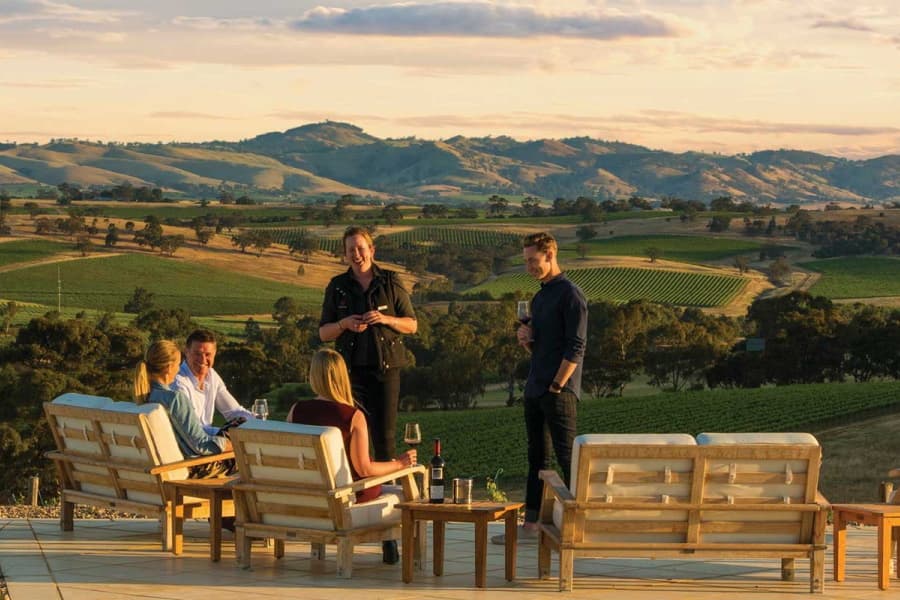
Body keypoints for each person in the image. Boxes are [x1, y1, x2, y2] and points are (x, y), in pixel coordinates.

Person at [493, 232, 587, 545]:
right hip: (535, 388)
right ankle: (531, 526)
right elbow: (542, 348)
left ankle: (578, 527)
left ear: (550, 255)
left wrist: (558, 385)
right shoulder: (540, 295)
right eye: (526, 261)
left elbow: (576, 346)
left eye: (534, 260)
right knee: (537, 458)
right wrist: (527, 341)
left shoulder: (571, 295)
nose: (530, 266)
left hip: (557, 390)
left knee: (567, 458)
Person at [288, 348, 416, 564]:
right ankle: (409, 554)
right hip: (343, 497)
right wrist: (399, 464)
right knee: (401, 490)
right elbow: (364, 469)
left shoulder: (296, 411)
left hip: (309, 496)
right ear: (342, 376)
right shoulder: (352, 416)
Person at [319, 226, 417, 463]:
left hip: (386, 372)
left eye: (361, 248)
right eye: (351, 249)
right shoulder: (337, 286)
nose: (356, 254)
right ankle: (356, 492)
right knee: (350, 436)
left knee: (384, 438)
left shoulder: (390, 282)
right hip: (348, 374)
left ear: (372, 250)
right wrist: (343, 324)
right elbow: (323, 333)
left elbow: (412, 325)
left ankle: (386, 490)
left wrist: (386, 319)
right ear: (344, 254)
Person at [133, 339, 232, 479]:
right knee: (241, 437)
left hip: (170, 466)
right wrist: (232, 445)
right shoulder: (174, 398)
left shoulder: (146, 397)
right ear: (169, 367)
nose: (179, 369)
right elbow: (201, 445)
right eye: (178, 365)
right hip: (195, 466)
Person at [173, 329, 254, 436]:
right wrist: (223, 432)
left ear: (214, 354)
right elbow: (189, 429)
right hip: (189, 447)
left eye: (208, 354)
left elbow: (233, 411)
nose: (203, 359)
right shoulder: (178, 383)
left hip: (207, 442)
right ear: (186, 352)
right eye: (197, 354)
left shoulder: (212, 375)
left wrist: (259, 423)